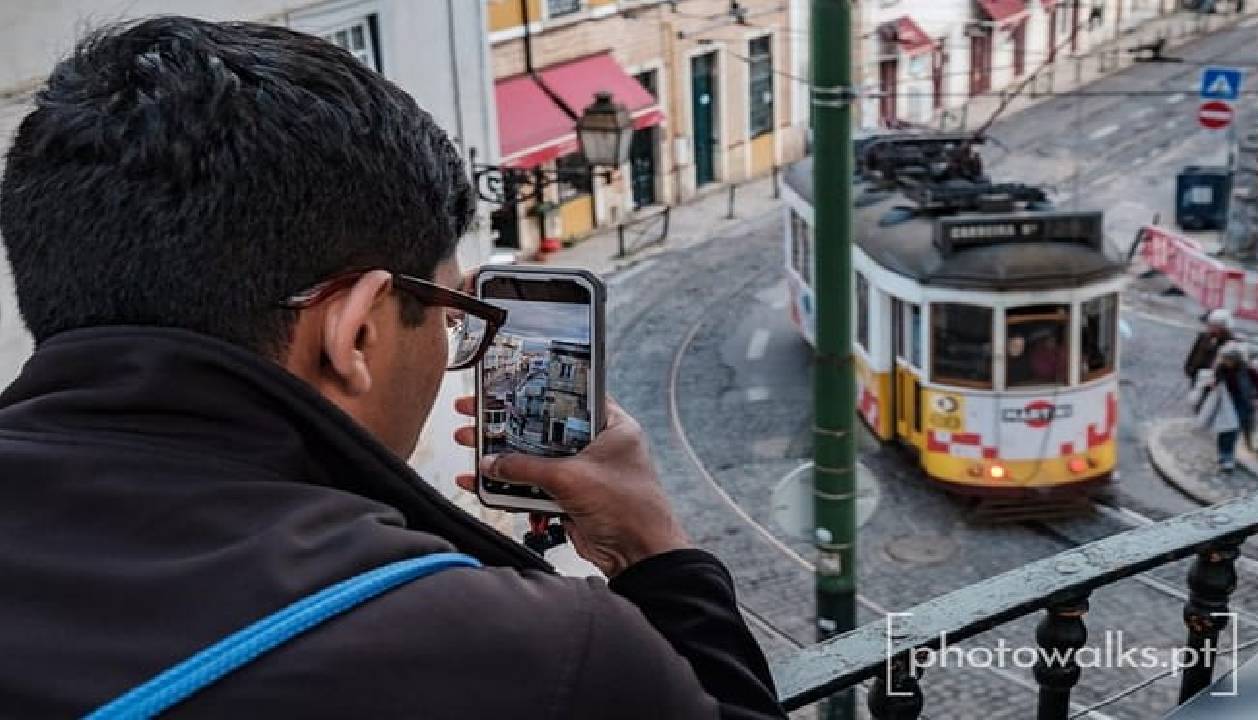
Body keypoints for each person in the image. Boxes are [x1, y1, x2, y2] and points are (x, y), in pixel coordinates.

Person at [0, 18, 784, 718]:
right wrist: (655, 551)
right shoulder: (532, 655)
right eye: (450, 316)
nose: (450, 346)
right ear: (358, 333)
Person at [1192, 342, 1255, 473]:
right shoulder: (1221, 368)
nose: (1225, 361)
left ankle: (1228, 456)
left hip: (1241, 403)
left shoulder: (1246, 369)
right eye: (1224, 359)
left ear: (1235, 359)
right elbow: (1214, 382)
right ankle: (1225, 457)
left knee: (1233, 430)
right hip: (1226, 403)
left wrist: (1257, 397)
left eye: (1228, 359)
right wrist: (1212, 384)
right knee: (1226, 429)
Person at [1184, 308, 1235, 387]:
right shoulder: (1204, 337)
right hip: (1196, 374)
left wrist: (1216, 377)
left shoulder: (1229, 344)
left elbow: (1227, 366)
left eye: (1213, 325)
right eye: (1210, 324)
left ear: (1222, 327)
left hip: (1211, 380)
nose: (1209, 327)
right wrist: (1189, 367)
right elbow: (1194, 352)